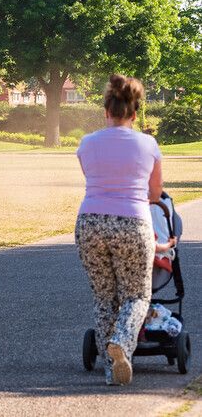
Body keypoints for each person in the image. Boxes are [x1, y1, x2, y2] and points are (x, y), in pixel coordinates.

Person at [75, 74, 163, 386]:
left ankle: (111, 370)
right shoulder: (148, 144)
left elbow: (92, 177)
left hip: (90, 222)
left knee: (103, 296)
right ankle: (122, 343)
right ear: (135, 114)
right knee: (137, 295)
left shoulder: (87, 143)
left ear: (106, 111)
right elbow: (155, 194)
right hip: (132, 223)